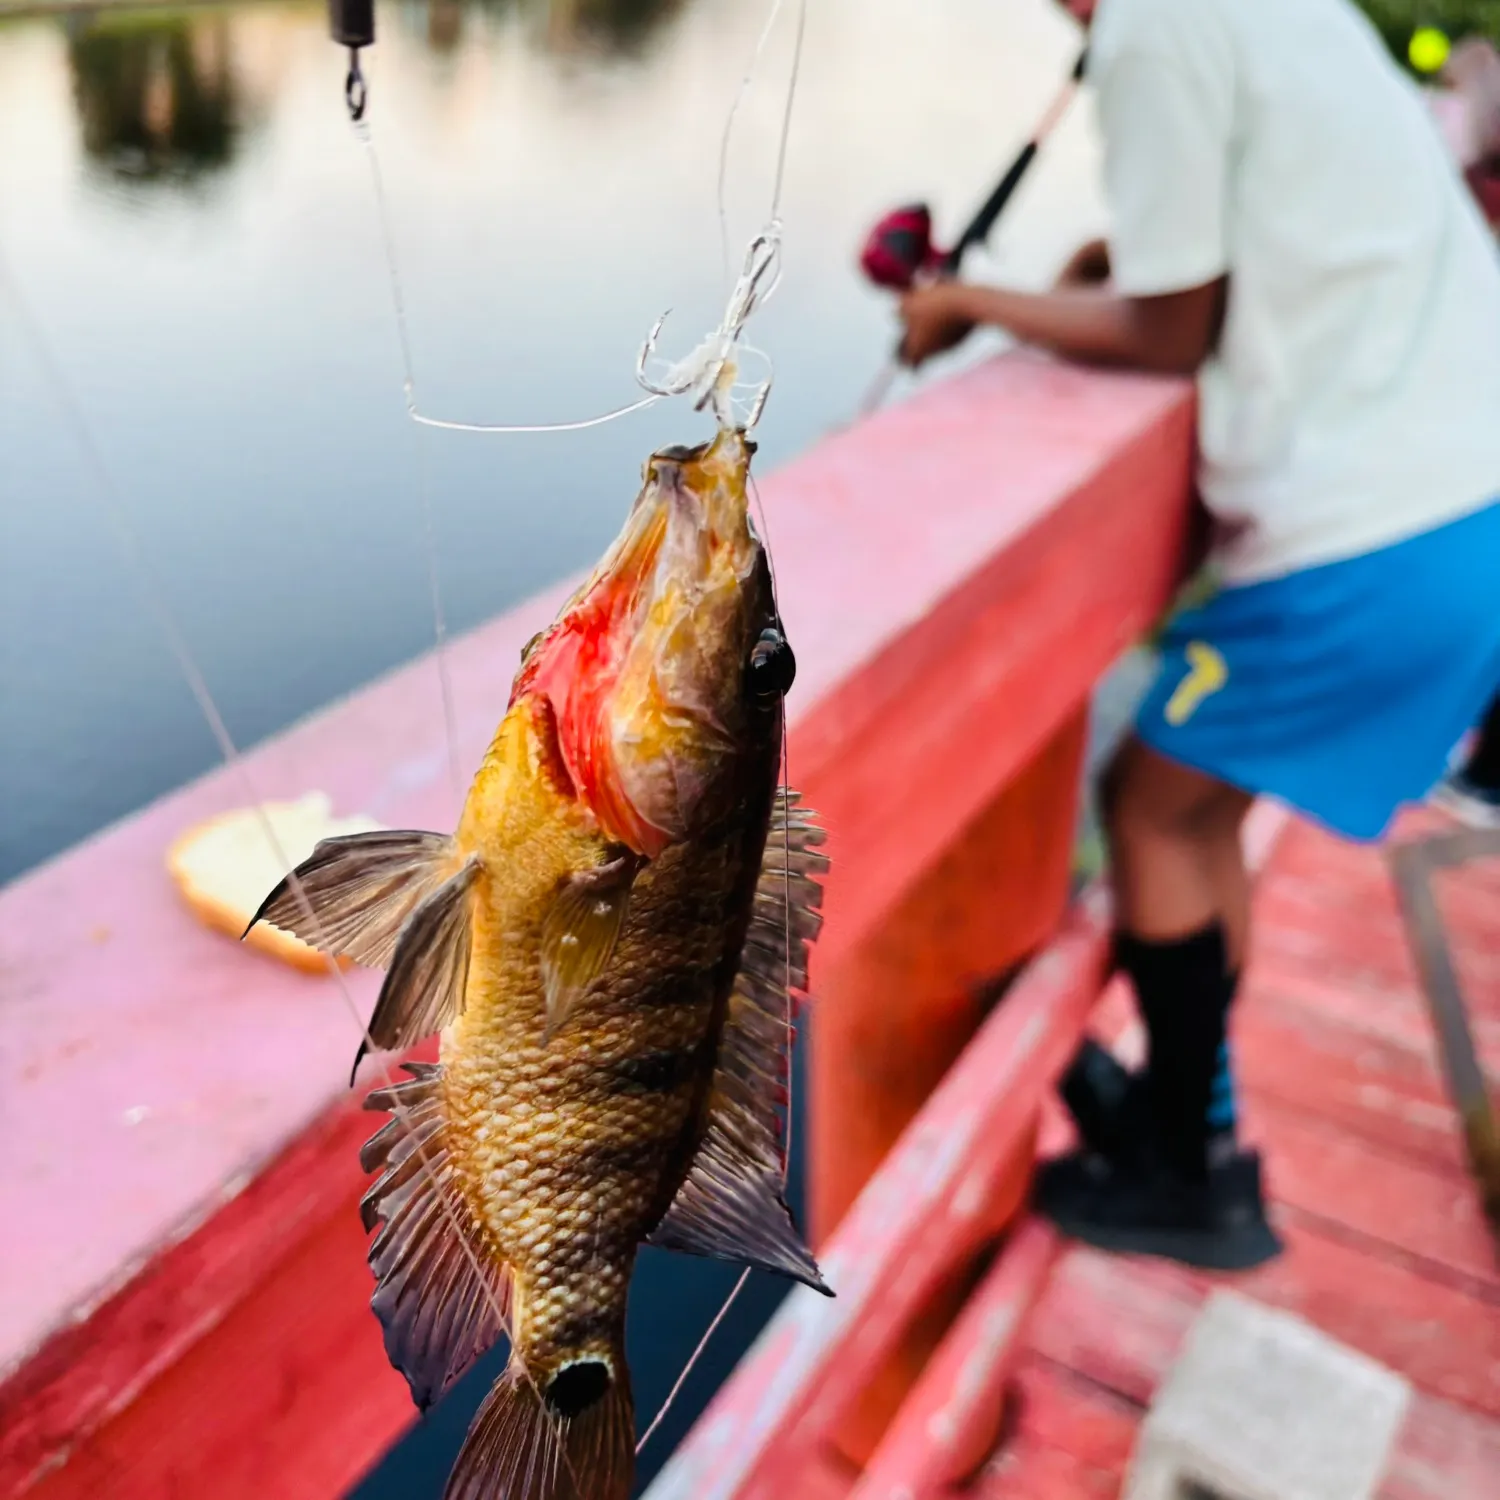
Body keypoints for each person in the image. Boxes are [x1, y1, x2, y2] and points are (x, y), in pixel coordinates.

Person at [897, 0, 1500, 1272]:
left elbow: (1173, 331)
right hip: (1462, 501)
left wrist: (971, 303)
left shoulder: (1152, 27)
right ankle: (1194, 1124)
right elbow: (1287, 220)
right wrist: (1104, 267)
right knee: (1201, 810)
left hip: (1378, 533)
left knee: (1154, 808)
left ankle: (1191, 1174)